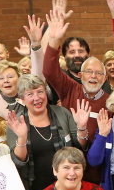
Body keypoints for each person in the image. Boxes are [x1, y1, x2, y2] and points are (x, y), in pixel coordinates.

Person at [33, 9, 109, 146]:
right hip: (71, 156)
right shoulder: (71, 88)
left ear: (104, 78)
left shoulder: (111, 101)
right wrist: (54, 39)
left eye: (98, 73)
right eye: (89, 72)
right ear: (80, 75)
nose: (93, 76)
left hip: (98, 160)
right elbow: (49, 71)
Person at [6, 74, 83, 190]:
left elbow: (79, 146)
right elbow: (18, 161)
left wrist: (82, 127)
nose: (37, 98)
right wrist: (22, 137)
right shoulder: (16, 122)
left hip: (67, 184)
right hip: (35, 188)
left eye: (40, 92)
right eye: (30, 94)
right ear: (22, 99)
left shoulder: (62, 113)